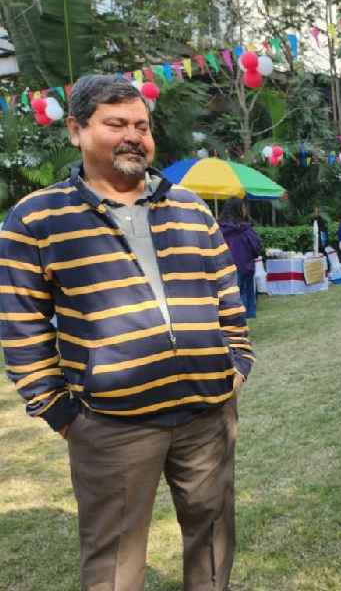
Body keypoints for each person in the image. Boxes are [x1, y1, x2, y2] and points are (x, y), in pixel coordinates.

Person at [0, 74, 253, 590]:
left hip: (207, 414)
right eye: (116, 124)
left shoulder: (189, 208)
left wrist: (237, 365)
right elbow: (22, 326)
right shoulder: (36, 219)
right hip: (111, 425)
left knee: (212, 540)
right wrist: (61, 413)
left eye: (142, 125)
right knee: (114, 564)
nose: (133, 136)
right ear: (76, 130)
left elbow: (228, 293)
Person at [219, 197, 263, 318]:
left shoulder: (218, 230)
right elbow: (256, 247)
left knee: (231, 296)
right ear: (238, 209)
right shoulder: (245, 229)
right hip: (245, 266)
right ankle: (245, 316)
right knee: (245, 293)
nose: (245, 210)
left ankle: (234, 317)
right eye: (243, 207)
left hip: (225, 268)